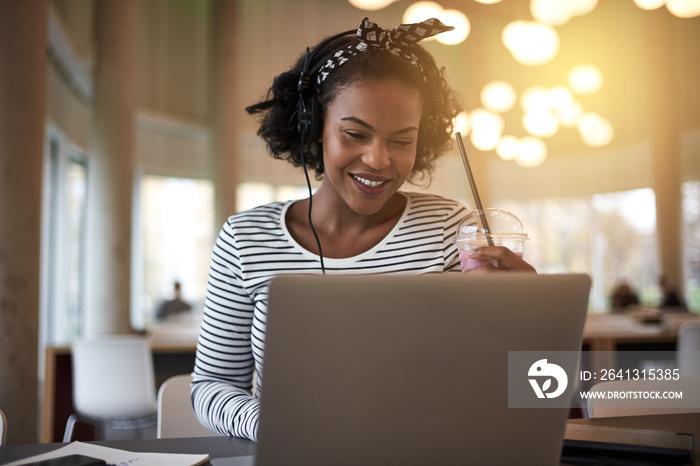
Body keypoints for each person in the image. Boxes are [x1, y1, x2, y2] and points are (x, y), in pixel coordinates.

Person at [191, 17, 535, 441]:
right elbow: (211, 386)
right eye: (355, 133)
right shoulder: (245, 239)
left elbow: (490, 384)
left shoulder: (452, 230)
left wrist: (526, 327)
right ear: (312, 128)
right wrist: (278, 425)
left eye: (401, 140)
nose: (378, 160)